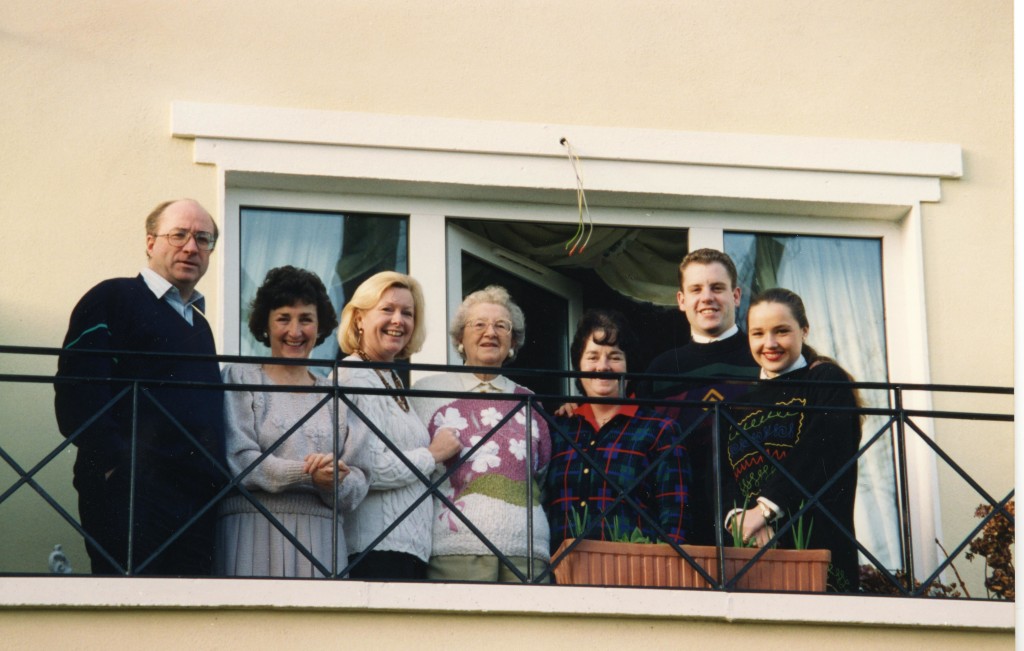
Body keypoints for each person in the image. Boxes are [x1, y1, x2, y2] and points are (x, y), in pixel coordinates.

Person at [54, 198, 226, 575]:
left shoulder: (201, 327)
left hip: (196, 497)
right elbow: (79, 385)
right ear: (150, 243)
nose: (191, 247)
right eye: (178, 235)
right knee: (130, 607)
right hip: (132, 489)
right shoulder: (112, 297)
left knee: (186, 618)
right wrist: (115, 464)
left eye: (203, 238)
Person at [216, 266, 369, 577]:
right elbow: (239, 461)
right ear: (266, 324)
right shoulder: (240, 377)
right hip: (253, 530)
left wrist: (335, 482)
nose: (295, 331)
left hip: (323, 539)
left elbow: (359, 479)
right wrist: (308, 473)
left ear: (320, 325)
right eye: (283, 318)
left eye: (306, 319)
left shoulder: (339, 395)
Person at [409, 286, 551, 582]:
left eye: (502, 326)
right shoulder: (426, 394)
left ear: (513, 340)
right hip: (455, 549)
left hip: (527, 549)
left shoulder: (529, 400)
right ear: (460, 338)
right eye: (479, 324)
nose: (491, 332)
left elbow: (542, 473)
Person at [725, 287, 861, 591]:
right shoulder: (737, 403)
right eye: (758, 333)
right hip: (749, 551)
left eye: (782, 331)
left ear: (804, 330)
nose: (769, 343)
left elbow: (818, 452)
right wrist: (739, 517)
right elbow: (723, 474)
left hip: (818, 552)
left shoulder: (825, 381)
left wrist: (763, 512)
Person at [335, 271, 462, 580]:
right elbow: (369, 468)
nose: (398, 320)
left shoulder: (389, 379)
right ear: (360, 319)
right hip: (375, 546)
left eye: (407, 313)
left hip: (411, 546)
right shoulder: (354, 376)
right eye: (387, 309)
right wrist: (432, 455)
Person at [546, 309, 691, 558]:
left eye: (614, 356)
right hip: (562, 576)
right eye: (592, 356)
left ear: (628, 364)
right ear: (578, 365)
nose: (603, 366)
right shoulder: (559, 428)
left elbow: (675, 519)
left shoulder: (659, 430)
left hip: (633, 576)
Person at [644, 248, 760, 545]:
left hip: (753, 524)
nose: (707, 297)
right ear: (681, 300)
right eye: (696, 289)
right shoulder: (661, 369)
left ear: (736, 296)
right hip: (679, 524)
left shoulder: (763, 358)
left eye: (717, 288)